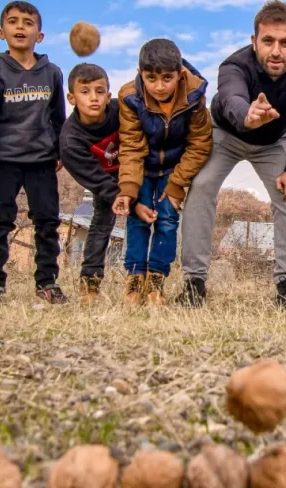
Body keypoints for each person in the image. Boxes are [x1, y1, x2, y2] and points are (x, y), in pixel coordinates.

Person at [174, 0, 286, 310]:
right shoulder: (234, 65)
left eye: (285, 43)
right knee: (201, 186)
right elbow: (231, 96)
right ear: (253, 41)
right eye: (267, 41)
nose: (275, 51)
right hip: (226, 132)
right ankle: (194, 282)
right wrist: (247, 115)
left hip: (276, 138)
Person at [0, 1, 66, 305]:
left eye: (28, 22)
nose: (20, 27)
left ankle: (47, 283)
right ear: (1, 31)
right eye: (13, 21)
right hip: (3, 161)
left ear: (40, 35)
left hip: (41, 162)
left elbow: (58, 118)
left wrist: (60, 150)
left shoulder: (53, 73)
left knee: (48, 222)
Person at [112, 38, 212, 306]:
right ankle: (134, 281)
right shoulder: (129, 97)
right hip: (142, 166)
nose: (158, 86)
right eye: (151, 78)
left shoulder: (195, 96)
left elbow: (200, 143)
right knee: (138, 219)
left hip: (175, 167)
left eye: (167, 78)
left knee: (167, 220)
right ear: (140, 74)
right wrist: (129, 189)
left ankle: (156, 281)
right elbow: (131, 145)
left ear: (180, 75)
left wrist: (177, 184)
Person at [59, 63, 120, 304]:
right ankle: (89, 283)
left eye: (99, 91)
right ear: (71, 98)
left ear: (109, 95)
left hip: (133, 171)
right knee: (102, 221)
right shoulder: (70, 139)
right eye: (85, 92)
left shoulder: (120, 111)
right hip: (102, 179)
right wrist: (120, 197)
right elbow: (95, 179)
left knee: (145, 219)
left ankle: (141, 279)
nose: (94, 98)